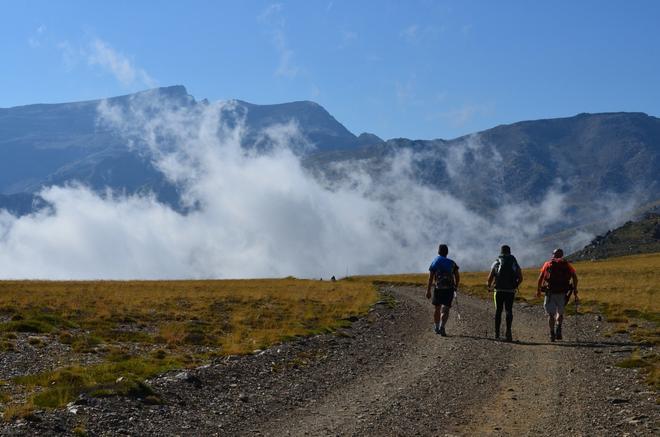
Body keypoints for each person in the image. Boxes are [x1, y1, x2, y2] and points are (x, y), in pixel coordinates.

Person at [536, 248, 579, 342]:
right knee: (560, 312)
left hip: (550, 293)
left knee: (551, 315)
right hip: (562, 293)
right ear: (562, 255)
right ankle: (558, 327)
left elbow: (540, 278)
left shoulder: (548, 264)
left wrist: (538, 290)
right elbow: (575, 277)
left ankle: (552, 333)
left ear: (553, 255)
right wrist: (575, 289)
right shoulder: (567, 265)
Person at [487, 245, 523, 341]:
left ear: (501, 252)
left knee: (498, 311)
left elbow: (490, 278)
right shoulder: (514, 262)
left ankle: (497, 334)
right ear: (510, 251)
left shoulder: (496, 262)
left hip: (498, 291)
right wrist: (515, 285)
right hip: (510, 291)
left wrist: (489, 286)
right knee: (508, 310)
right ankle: (508, 332)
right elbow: (521, 277)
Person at [426, 244, 460, 336]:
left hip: (438, 289)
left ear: (438, 252)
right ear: (447, 252)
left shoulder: (435, 262)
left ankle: (436, 327)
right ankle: (442, 327)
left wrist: (428, 290)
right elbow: (457, 276)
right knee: (446, 308)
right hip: (449, 289)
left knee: (437, 308)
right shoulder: (452, 263)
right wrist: (456, 286)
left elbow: (430, 278)